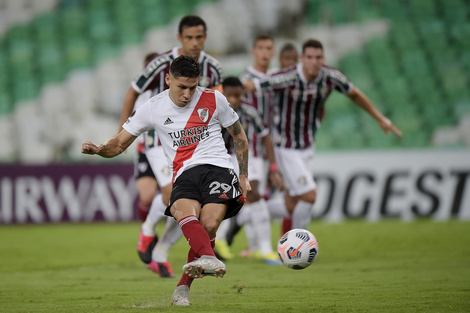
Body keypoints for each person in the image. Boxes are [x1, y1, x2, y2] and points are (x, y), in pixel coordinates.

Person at [82, 55, 251, 306]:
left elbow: (239, 136)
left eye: (192, 88)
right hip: (184, 173)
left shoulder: (215, 99)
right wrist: (99, 150)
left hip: (218, 168)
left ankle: (184, 285)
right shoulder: (153, 107)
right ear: (168, 79)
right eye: (181, 87)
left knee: (210, 224)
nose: (187, 94)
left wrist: (244, 174)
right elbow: (118, 144)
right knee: (182, 212)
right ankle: (207, 257)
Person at [244, 39, 402, 231]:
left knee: (293, 204)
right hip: (285, 146)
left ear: (323, 58)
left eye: (318, 57)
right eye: (309, 57)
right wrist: (220, 94)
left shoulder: (331, 76)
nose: (314, 62)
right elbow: (251, 86)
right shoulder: (286, 77)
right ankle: (298, 247)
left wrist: (379, 118)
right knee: (310, 196)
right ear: (302, 59)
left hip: (308, 146)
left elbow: (354, 93)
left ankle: (243, 215)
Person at [118, 15, 224, 277]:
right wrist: (122, 133)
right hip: (158, 137)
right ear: (180, 38)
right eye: (189, 37)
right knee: (169, 194)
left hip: (195, 143)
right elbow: (133, 90)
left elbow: (219, 105)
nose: (195, 43)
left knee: (188, 204)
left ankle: (160, 251)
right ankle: (147, 234)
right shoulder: (161, 63)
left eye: (199, 37)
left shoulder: (213, 68)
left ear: (205, 38)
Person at [216, 76, 284, 265]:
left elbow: (266, 137)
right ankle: (229, 241)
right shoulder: (215, 111)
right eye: (230, 96)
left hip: (249, 156)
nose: (234, 100)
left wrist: (272, 166)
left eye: (237, 96)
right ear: (223, 94)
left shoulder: (250, 111)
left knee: (253, 194)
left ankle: (264, 249)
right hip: (224, 157)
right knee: (228, 199)